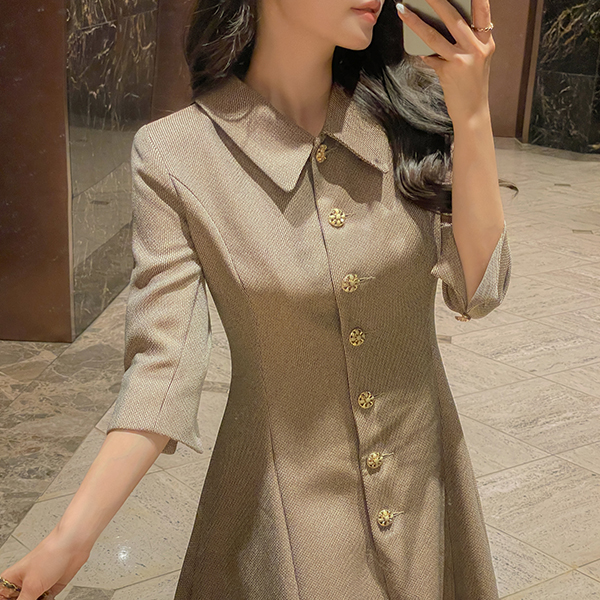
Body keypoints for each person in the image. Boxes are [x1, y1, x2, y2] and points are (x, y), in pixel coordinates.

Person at [1, 0, 515, 598]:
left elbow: (479, 292)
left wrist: (472, 113)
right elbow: (163, 368)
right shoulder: (177, 156)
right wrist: (70, 538)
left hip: (428, 491)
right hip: (284, 519)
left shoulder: (409, 117)